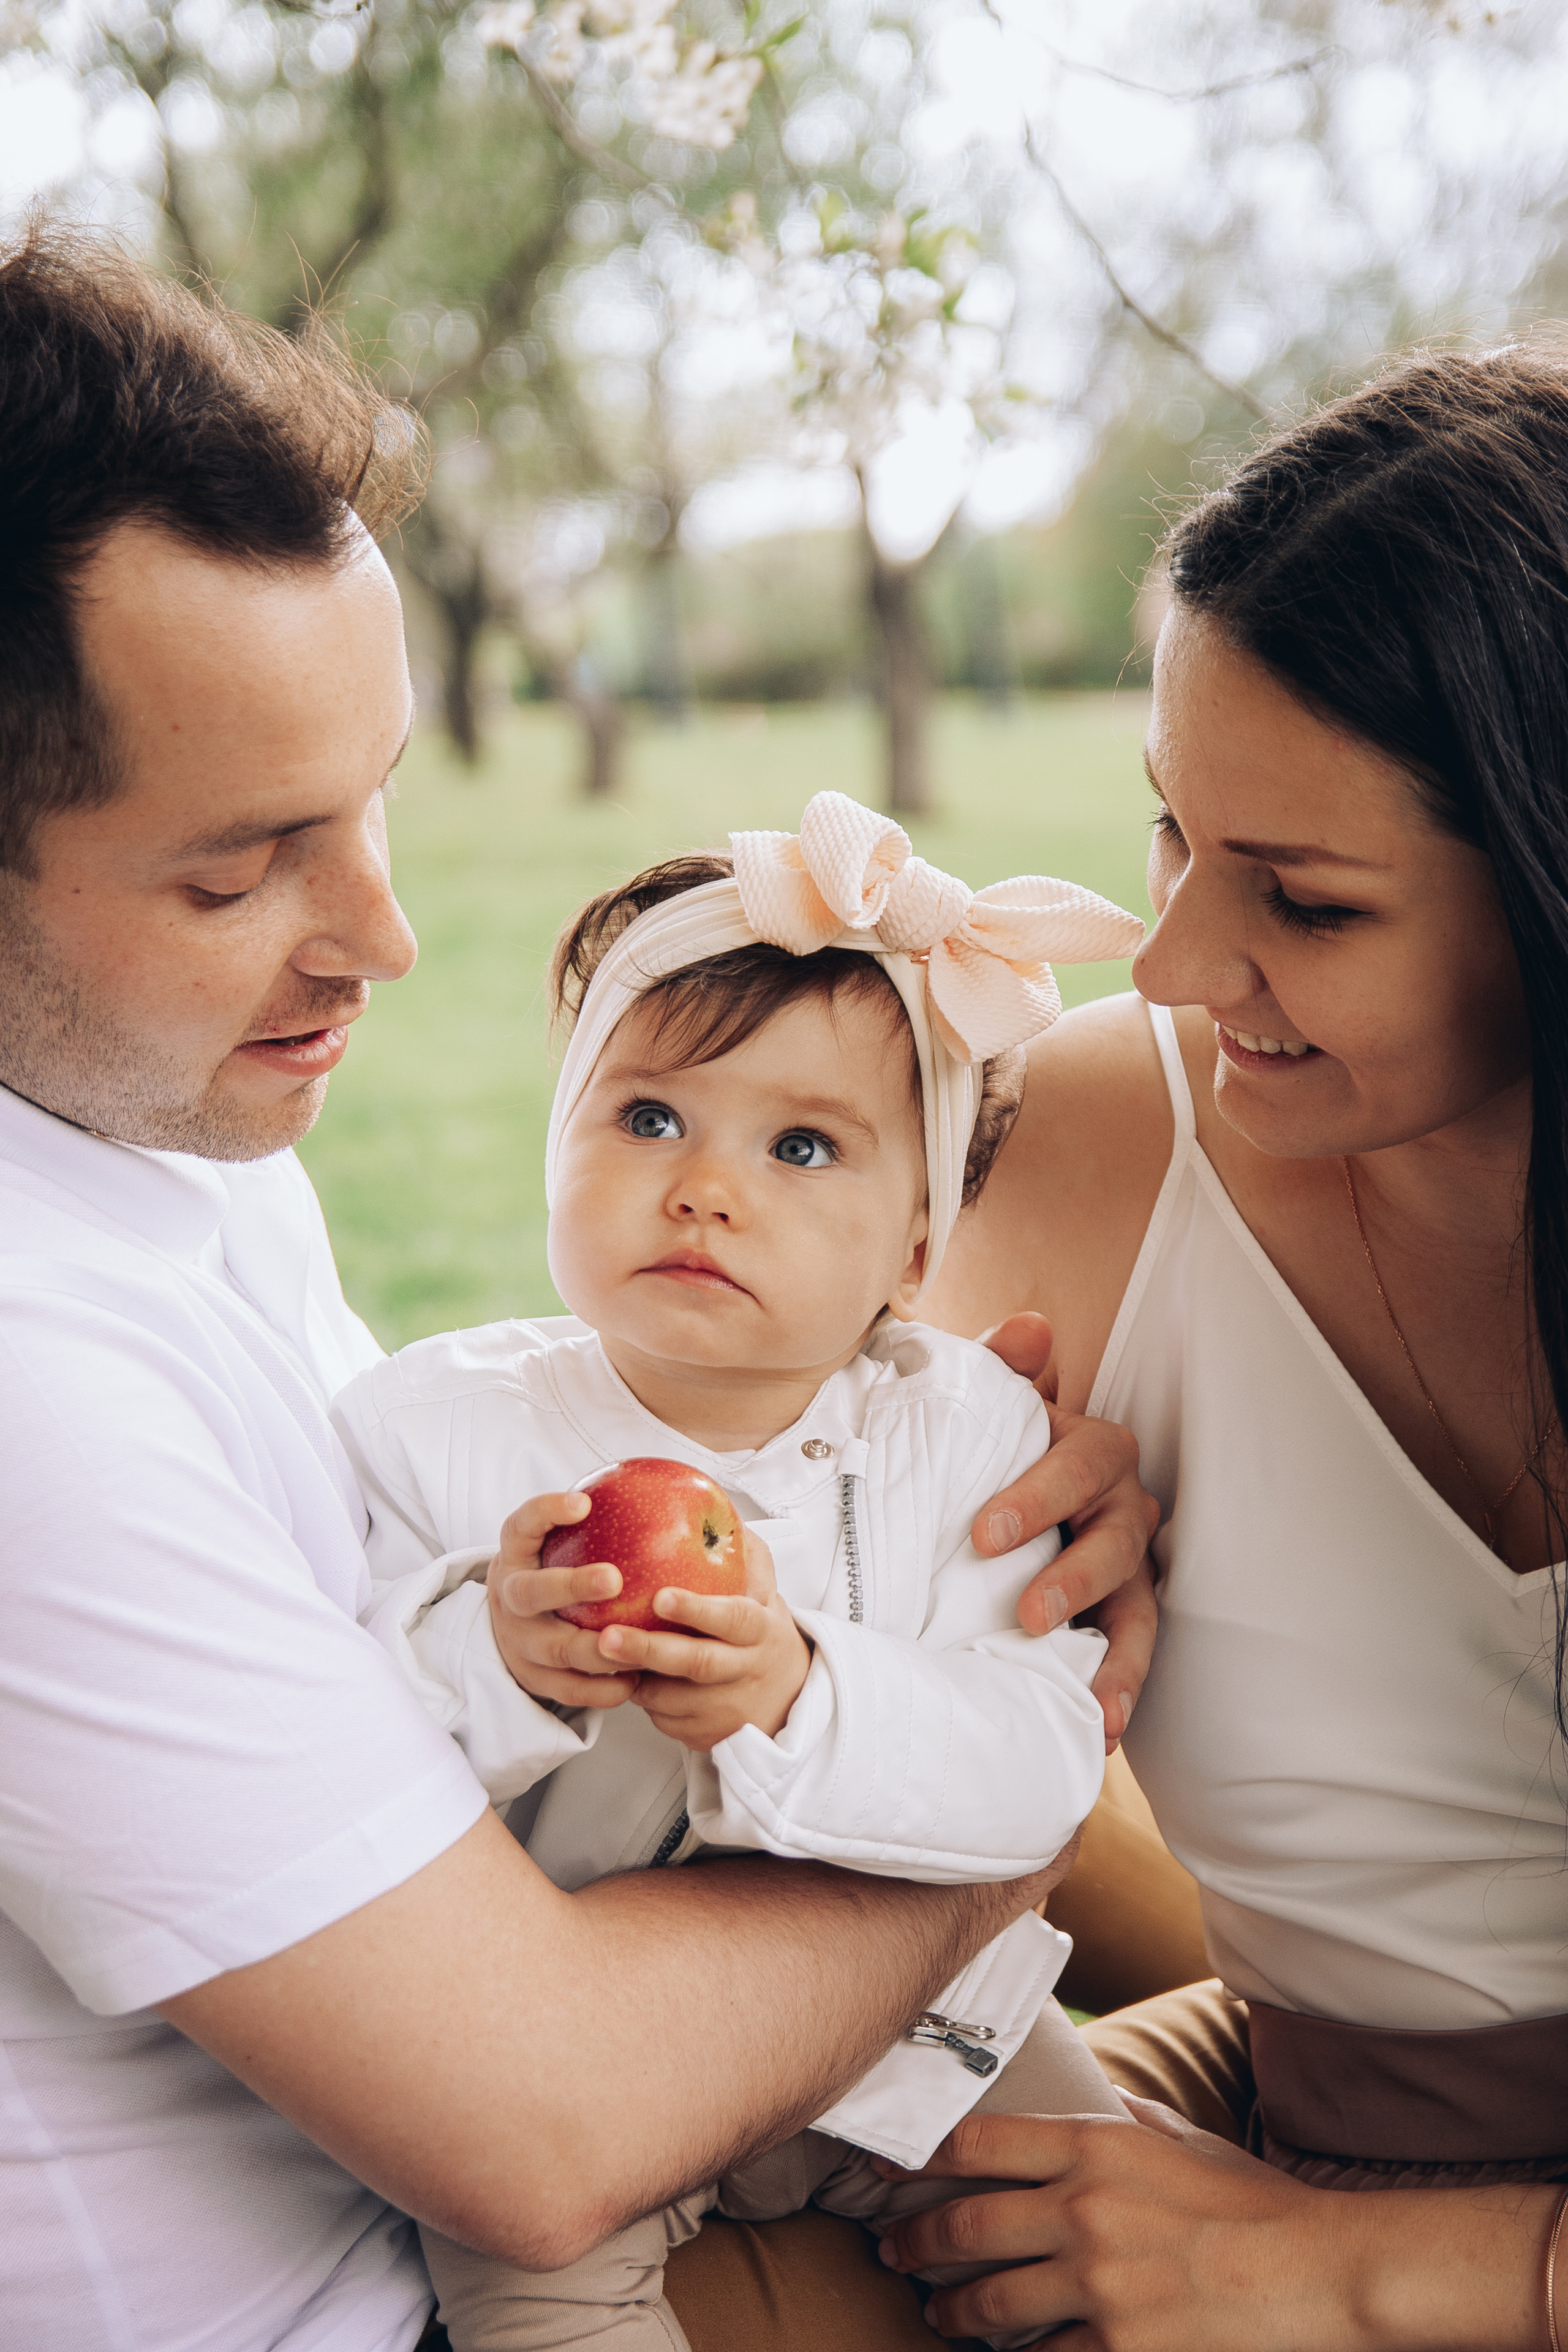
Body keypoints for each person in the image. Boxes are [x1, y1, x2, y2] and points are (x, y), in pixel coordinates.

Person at [0, 226, 1158, 2352]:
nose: (388, 933)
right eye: (242, 865)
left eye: (376, 804)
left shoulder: (150, 1146)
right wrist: (1025, 1775)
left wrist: (972, 1572)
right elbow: (540, 2133)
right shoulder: (24, 1381)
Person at [859, 345, 1568, 2349]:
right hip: (1263, 2139)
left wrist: (1324, 2274)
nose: (1167, 963)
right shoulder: (1097, 1152)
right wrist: (972, 1648)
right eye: (1172, 830)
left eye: (1307, 901)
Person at [333, 807, 1145, 2350]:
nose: (706, 1186)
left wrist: (800, 1695)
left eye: (800, 1146)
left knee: (1117, 2237)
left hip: (919, 2037)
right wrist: (492, 1655)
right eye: (646, 1120)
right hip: (592, 2080)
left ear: (918, 1245)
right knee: (529, 2294)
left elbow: (1037, 1761)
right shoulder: (435, 1429)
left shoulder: (967, 1431)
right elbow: (347, 1754)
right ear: (555, 1142)